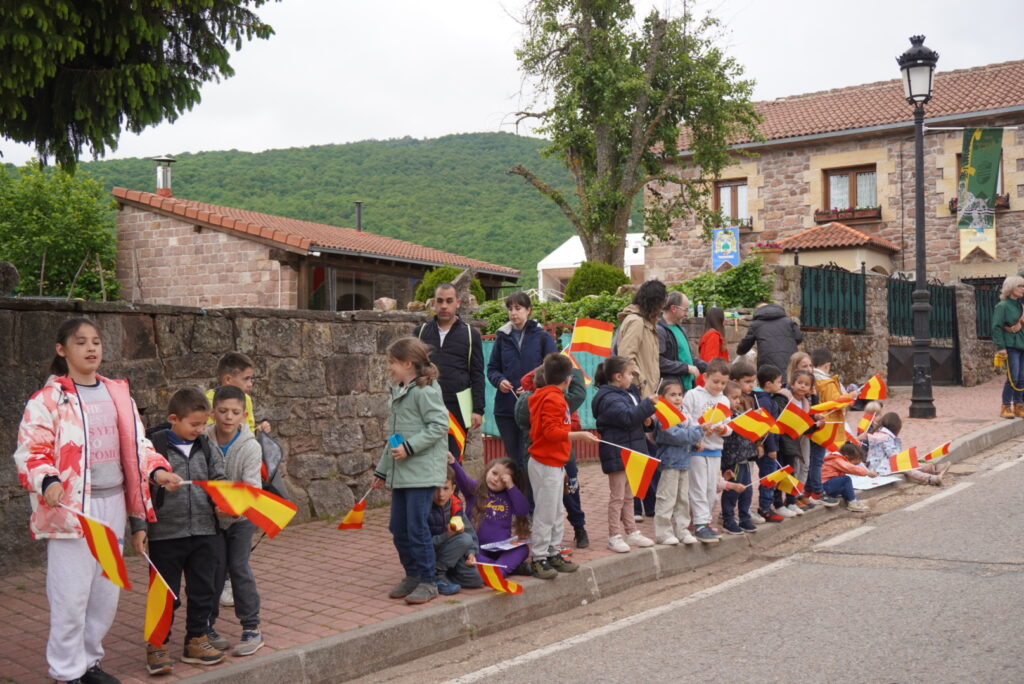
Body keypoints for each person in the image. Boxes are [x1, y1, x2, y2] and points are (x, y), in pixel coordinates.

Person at [13, 317, 179, 684]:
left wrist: (157, 472)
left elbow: (138, 448)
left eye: (96, 342)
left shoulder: (118, 394)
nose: (91, 349)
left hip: (113, 505)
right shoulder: (48, 399)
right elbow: (31, 450)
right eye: (81, 342)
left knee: (105, 595)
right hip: (71, 511)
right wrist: (48, 480)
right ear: (62, 350)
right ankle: (66, 671)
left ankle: (90, 663)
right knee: (70, 597)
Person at [145, 388, 228, 673]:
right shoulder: (153, 447)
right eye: (194, 424)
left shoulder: (206, 445)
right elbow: (140, 487)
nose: (200, 429)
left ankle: (196, 638)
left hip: (205, 531)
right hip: (165, 535)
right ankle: (157, 645)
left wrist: (222, 501)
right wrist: (139, 527)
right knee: (164, 593)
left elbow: (219, 478)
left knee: (203, 589)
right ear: (173, 419)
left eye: (203, 424)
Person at [371, 337, 449, 605]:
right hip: (403, 472)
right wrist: (382, 471)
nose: (389, 367)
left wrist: (410, 448)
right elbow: (394, 438)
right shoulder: (400, 391)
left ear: (408, 363)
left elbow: (440, 425)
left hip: (421, 472)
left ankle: (428, 581)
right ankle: (412, 574)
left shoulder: (425, 391)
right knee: (398, 527)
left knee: (417, 527)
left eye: (392, 362)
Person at [205, 385, 265, 658]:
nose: (228, 417)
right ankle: (206, 627)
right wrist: (213, 509)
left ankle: (251, 628)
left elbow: (253, 488)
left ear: (244, 415)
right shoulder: (203, 440)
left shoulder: (251, 446)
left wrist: (233, 510)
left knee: (238, 567)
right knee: (212, 571)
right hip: (211, 520)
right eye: (223, 411)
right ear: (212, 412)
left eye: (235, 412)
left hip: (241, 520)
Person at [527, 353, 598, 577]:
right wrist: (580, 435)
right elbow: (551, 432)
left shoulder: (550, 395)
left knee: (556, 511)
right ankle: (539, 557)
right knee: (546, 513)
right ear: (567, 379)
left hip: (553, 461)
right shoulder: (553, 399)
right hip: (546, 461)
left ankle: (553, 552)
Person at [514, 366, 590, 548]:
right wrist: (573, 370)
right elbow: (579, 394)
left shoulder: (543, 399)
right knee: (546, 507)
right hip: (544, 458)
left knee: (566, 499)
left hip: (563, 458)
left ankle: (577, 529)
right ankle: (543, 549)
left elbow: (575, 421)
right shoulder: (548, 400)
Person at [593, 356, 658, 553]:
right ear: (618, 376)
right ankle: (614, 535)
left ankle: (632, 531)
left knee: (630, 495)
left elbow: (637, 417)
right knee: (617, 496)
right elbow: (627, 417)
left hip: (633, 450)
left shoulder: (628, 392)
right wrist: (647, 405)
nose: (632, 378)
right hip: (617, 452)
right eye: (630, 374)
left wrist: (648, 421)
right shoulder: (608, 398)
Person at [414, 283, 485, 461]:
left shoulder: (470, 335)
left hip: (457, 408)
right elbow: (412, 371)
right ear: (434, 303)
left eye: (449, 301)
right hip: (426, 405)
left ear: (458, 303)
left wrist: (478, 410)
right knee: (426, 458)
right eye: (440, 301)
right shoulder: (420, 332)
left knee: (453, 460)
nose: (444, 306)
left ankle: (452, 490)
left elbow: (477, 374)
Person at [487, 292, 556, 467]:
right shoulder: (502, 337)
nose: (513, 313)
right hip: (506, 409)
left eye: (518, 308)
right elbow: (492, 369)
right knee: (513, 461)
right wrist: (499, 380)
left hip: (534, 408)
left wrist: (532, 386)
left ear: (528, 310)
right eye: (510, 309)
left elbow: (552, 370)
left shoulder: (542, 337)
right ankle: (517, 494)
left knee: (530, 459)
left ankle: (531, 495)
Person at [652, 379, 712, 545]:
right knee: (667, 498)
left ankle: (682, 530)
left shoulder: (684, 415)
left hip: (684, 462)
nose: (678, 398)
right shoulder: (662, 416)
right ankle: (663, 533)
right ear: (662, 398)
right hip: (670, 463)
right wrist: (699, 430)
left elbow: (685, 436)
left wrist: (695, 444)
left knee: (682, 499)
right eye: (672, 395)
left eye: (680, 394)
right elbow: (675, 436)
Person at [450, 456, 531, 575]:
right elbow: (462, 478)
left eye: (503, 480)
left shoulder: (510, 495)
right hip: (477, 548)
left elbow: (522, 511)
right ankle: (503, 569)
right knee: (466, 554)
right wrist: (453, 462)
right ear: (487, 470)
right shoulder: (475, 490)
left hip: (501, 548)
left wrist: (511, 487)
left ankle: (497, 570)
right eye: (494, 473)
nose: (496, 479)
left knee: (522, 549)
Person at [681, 357, 732, 543]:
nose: (719, 386)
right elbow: (685, 418)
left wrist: (722, 429)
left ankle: (704, 520)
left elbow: (729, 425)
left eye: (723, 383)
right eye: (715, 381)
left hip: (716, 449)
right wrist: (700, 427)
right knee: (698, 487)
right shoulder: (693, 395)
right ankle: (701, 523)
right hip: (698, 448)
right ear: (705, 377)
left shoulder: (725, 400)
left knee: (711, 488)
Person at [428, 467, 483, 595]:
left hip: (451, 554)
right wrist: (447, 535)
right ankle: (436, 575)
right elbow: (423, 543)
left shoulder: (455, 506)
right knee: (464, 539)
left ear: (453, 489)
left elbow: (470, 532)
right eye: (436, 488)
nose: (440, 494)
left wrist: (471, 553)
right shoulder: (425, 509)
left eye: (445, 488)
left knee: (476, 580)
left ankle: (445, 574)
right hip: (429, 554)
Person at [811, 348, 856, 500]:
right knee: (829, 456)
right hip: (831, 425)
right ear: (827, 365)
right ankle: (828, 482)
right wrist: (850, 397)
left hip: (820, 422)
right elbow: (836, 403)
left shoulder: (813, 380)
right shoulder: (827, 383)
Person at [616, 279, 668, 399]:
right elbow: (625, 357)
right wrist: (640, 383)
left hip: (645, 392)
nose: (662, 309)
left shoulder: (645, 322)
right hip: (639, 393)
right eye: (661, 304)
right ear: (654, 302)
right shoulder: (637, 322)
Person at [864, 413, 948, 485]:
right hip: (881, 468)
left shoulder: (879, 434)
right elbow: (894, 456)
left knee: (909, 464)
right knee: (907, 468)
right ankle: (930, 478)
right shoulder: (886, 438)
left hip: (877, 466)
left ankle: (933, 469)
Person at [721, 372, 758, 535]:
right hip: (732, 460)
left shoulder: (739, 415)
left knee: (747, 489)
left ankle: (744, 517)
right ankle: (728, 519)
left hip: (745, 458)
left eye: (738, 398)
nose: (737, 401)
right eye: (733, 398)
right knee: (733, 490)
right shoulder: (723, 418)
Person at [205, 352, 270, 435]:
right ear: (228, 379)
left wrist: (258, 431)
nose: (250, 384)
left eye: (236, 412)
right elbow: (206, 433)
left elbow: (248, 432)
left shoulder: (246, 399)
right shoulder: (207, 401)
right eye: (246, 379)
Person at [736, 302, 803, 382]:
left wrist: (739, 351)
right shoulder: (788, 321)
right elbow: (799, 338)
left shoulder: (756, 325)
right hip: (790, 360)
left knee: (770, 387)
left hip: (767, 363)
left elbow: (745, 345)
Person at [753, 364, 786, 523]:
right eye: (778, 382)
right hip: (767, 447)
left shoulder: (765, 398)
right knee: (769, 478)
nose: (781, 384)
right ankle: (765, 508)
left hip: (768, 446)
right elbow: (767, 426)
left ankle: (767, 506)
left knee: (769, 476)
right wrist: (772, 448)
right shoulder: (765, 401)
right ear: (768, 384)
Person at [658, 291, 705, 390]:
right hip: (671, 391)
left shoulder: (680, 329)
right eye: (685, 310)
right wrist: (686, 368)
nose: (687, 314)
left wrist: (711, 367)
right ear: (674, 308)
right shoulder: (659, 330)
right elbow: (659, 362)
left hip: (687, 388)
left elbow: (688, 358)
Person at [992, 275, 1024, 419]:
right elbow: (996, 327)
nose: (1023, 289)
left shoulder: (1020, 305)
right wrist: (1001, 347)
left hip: (1022, 344)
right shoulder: (1002, 306)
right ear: (1011, 288)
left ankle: (1019, 405)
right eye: (1020, 286)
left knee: (1022, 377)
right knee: (1013, 377)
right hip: (1010, 345)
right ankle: (1005, 406)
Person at [821, 442, 876, 511]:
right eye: (854, 463)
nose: (855, 465)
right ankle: (853, 503)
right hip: (824, 486)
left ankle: (853, 501)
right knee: (846, 479)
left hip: (829, 486)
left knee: (845, 487)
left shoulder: (838, 459)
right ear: (846, 457)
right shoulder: (836, 459)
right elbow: (850, 468)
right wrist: (867, 473)